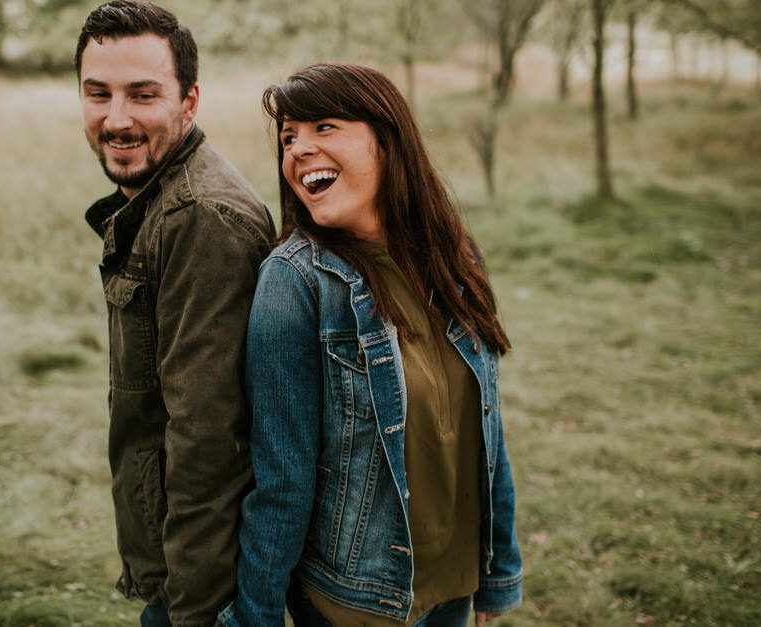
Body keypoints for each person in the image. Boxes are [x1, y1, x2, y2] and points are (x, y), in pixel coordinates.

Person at [218, 63, 522, 626]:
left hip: (454, 589)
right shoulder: (296, 282)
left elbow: (488, 430)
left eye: (323, 127)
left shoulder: (454, 256)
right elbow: (282, 479)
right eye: (288, 138)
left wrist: (497, 574)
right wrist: (255, 617)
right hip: (359, 605)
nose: (298, 150)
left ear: (386, 141)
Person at [75, 2, 275, 625]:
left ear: (189, 102)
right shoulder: (155, 203)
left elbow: (209, 446)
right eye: (98, 93)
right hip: (174, 568)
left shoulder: (201, 219)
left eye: (143, 94)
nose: (116, 118)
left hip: (200, 588)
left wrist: (194, 612)